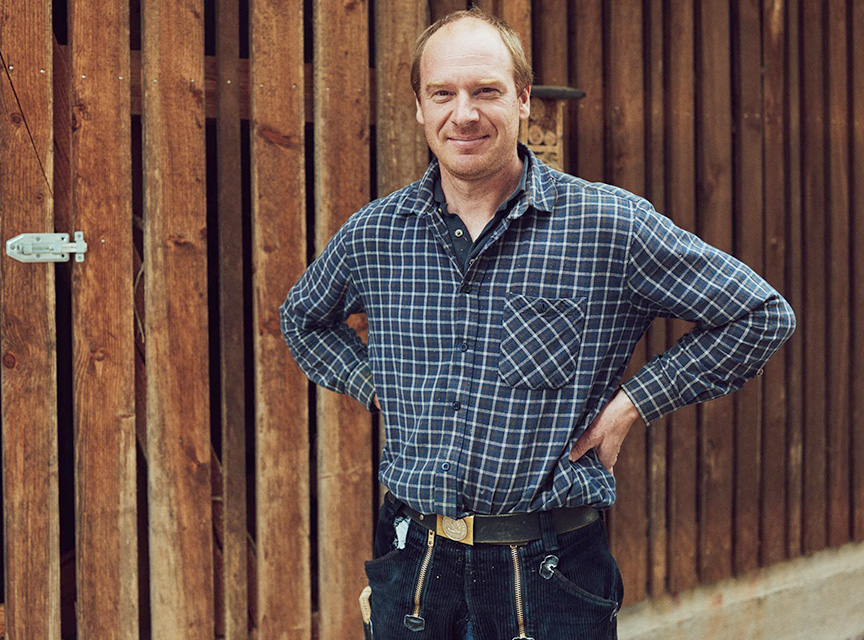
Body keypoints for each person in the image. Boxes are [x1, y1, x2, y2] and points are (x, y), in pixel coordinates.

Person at [280, 8, 796, 640]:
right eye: (442, 94)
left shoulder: (608, 225)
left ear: (523, 99)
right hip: (413, 564)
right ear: (418, 107)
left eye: (486, 91)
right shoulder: (376, 234)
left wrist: (633, 404)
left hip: (549, 573)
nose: (463, 114)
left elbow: (759, 314)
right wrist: (377, 383)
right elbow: (303, 320)